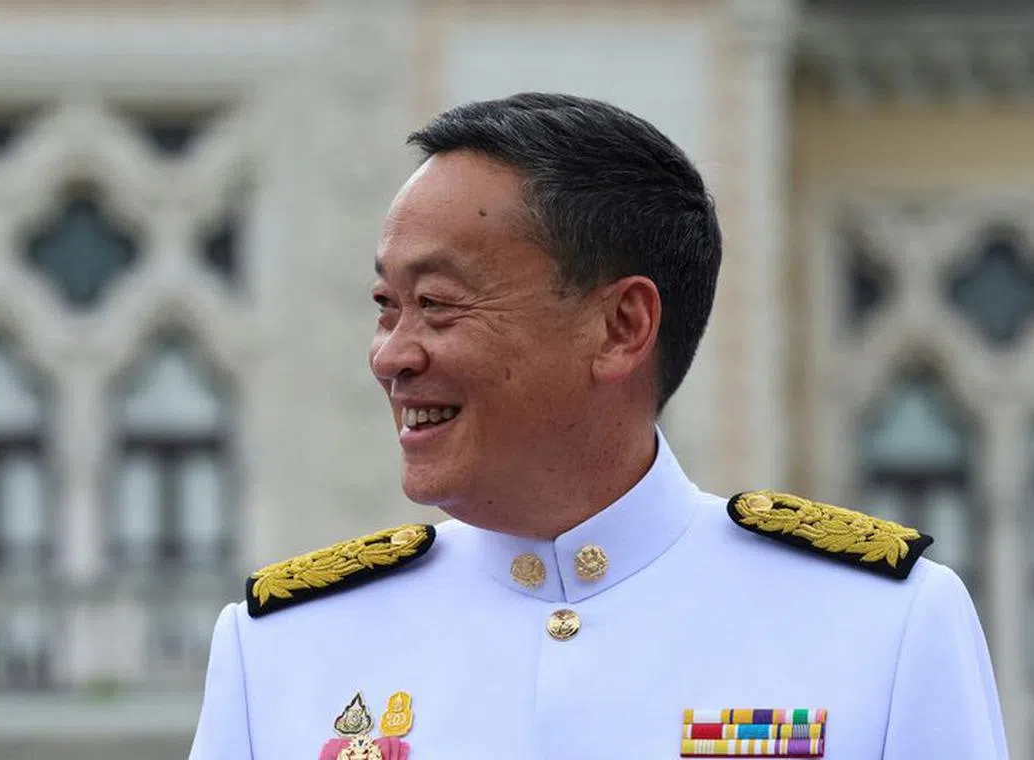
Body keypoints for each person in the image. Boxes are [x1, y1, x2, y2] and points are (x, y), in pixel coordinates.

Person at [188, 93, 1008, 759]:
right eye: (386, 307)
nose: (392, 356)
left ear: (620, 326)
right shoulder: (281, 652)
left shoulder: (885, 624)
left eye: (436, 305)